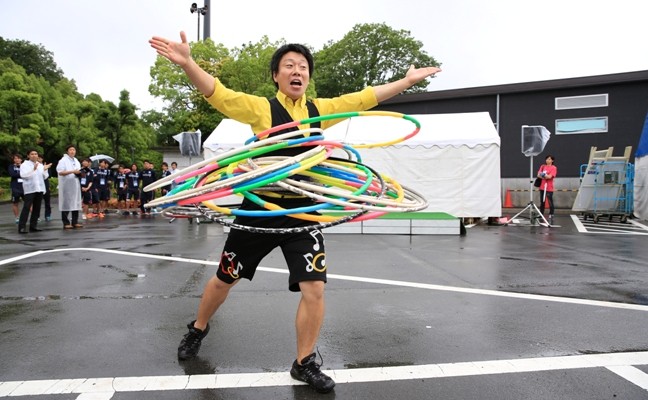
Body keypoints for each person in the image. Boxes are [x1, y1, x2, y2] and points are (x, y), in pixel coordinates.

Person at [150, 31, 441, 393]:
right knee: (225, 278)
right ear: (276, 75)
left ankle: (304, 362)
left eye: (302, 66)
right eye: (289, 65)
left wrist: (407, 81)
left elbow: (365, 98)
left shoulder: (320, 110)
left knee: (314, 287)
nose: (297, 71)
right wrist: (189, 63)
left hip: (303, 210)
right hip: (259, 209)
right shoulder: (260, 109)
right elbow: (218, 93)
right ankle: (198, 328)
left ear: (308, 76)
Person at [18, 149, 50, 234]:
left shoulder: (40, 165)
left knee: (37, 208)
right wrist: (33, 169)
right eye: (32, 154)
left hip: (39, 188)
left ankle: (33, 226)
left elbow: (45, 177)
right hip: (30, 189)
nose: (34, 155)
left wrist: (45, 169)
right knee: (26, 207)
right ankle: (22, 227)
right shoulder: (24, 165)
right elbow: (23, 175)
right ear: (28, 156)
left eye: (36, 154)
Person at [56, 145, 83, 229]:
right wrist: (72, 171)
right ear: (67, 151)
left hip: (75, 184)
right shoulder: (63, 160)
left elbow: (78, 171)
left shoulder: (76, 160)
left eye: (74, 150)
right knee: (66, 203)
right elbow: (60, 172)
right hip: (66, 185)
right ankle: (66, 222)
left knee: (76, 202)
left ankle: (75, 221)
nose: (72, 151)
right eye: (70, 150)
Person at [537, 154, 557, 222]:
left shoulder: (553, 168)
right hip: (542, 186)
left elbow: (550, 177)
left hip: (549, 187)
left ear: (552, 160)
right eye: (547, 159)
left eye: (549, 159)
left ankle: (551, 213)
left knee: (550, 201)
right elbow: (538, 175)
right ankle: (541, 213)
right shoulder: (543, 166)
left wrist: (543, 175)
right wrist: (545, 175)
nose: (547, 160)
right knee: (542, 201)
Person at [9, 154, 24, 224]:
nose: (17, 160)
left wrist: (20, 174)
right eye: (15, 158)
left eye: (18, 158)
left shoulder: (24, 166)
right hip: (15, 187)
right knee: (15, 203)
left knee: (29, 202)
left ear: (21, 159)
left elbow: (28, 174)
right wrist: (22, 174)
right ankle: (17, 217)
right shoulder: (11, 166)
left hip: (24, 187)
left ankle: (35, 217)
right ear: (13, 160)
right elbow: (12, 174)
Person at [38, 156, 53, 221]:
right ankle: (37, 216)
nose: (39, 159)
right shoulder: (34, 166)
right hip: (38, 185)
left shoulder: (46, 166)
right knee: (37, 202)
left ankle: (48, 215)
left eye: (40, 158)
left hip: (45, 184)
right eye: (38, 158)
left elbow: (48, 176)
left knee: (47, 201)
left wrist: (45, 169)